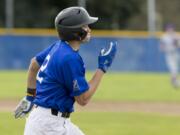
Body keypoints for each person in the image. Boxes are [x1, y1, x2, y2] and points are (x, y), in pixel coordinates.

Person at [14, 7, 117, 135]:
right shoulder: (70, 58)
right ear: (76, 32)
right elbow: (83, 99)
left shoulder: (59, 46)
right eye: (85, 26)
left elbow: (33, 64)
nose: (89, 29)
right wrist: (102, 68)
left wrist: (30, 96)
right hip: (49, 126)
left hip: (47, 120)